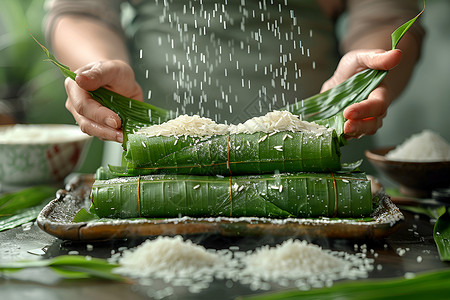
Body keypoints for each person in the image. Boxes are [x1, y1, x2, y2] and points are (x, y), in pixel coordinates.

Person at [44, 0, 424, 145]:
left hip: (316, 139)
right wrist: (99, 70)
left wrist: (362, 79)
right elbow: (81, 10)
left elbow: (386, 14)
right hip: (151, 144)